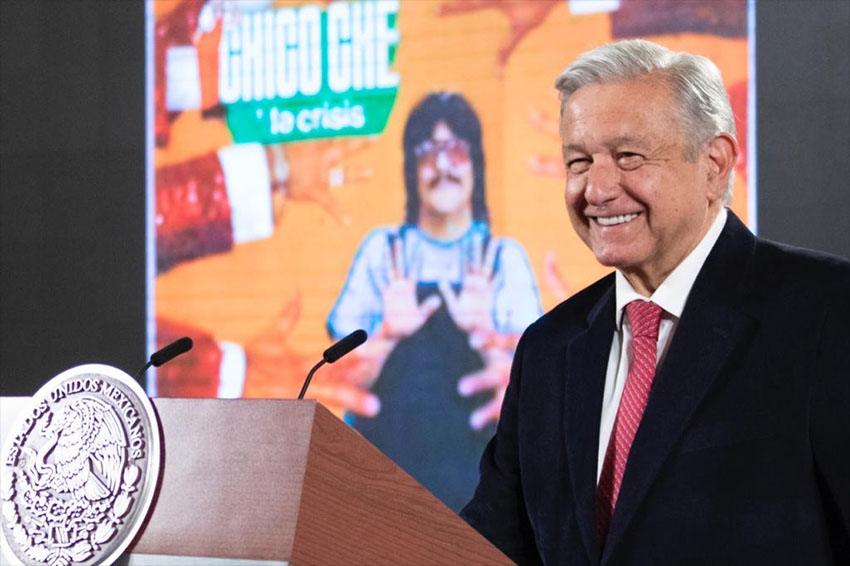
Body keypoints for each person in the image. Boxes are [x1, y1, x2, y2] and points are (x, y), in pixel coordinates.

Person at [461, 39, 849, 565]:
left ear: (715, 164)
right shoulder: (548, 349)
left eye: (628, 157)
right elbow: (489, 546)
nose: (596, 189)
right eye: (579, 163)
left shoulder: (824, 311)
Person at [327, 92, 541, 510]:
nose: (442, 165)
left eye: (455, 149)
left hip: (484, 502)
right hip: (380, 495)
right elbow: (338, 386)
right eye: (427, 151)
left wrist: (486, 338)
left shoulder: (504, 259)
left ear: (477, 163)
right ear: (411, 168)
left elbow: (537, 397)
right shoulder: (381, 252)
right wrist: (386, 336)